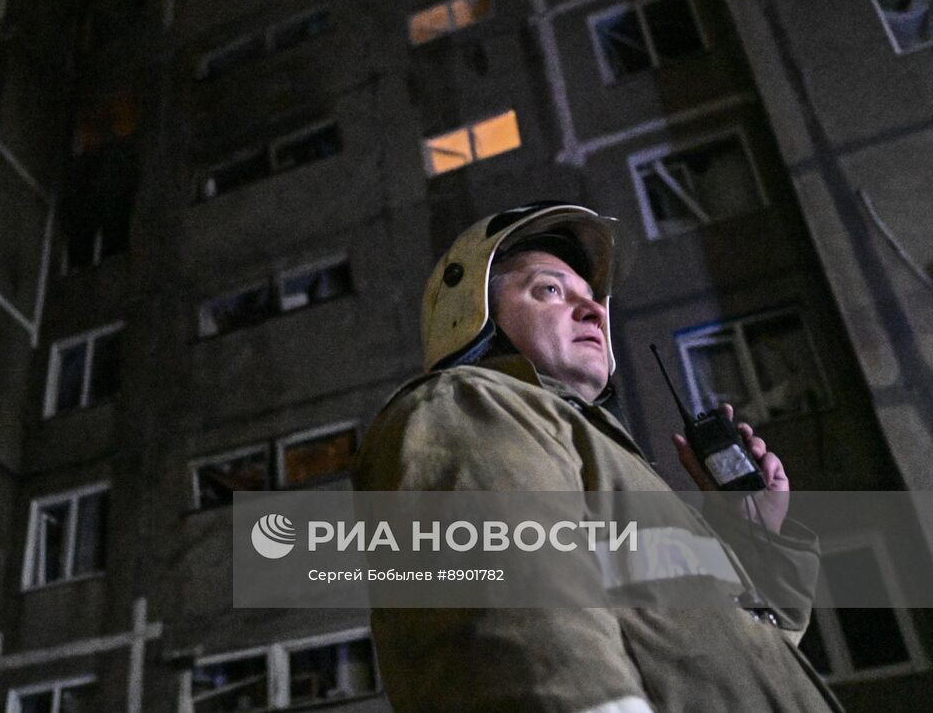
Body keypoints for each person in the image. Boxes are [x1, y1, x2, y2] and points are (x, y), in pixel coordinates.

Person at [352, 201, 843, 712]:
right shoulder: (466, 405)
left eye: (593, 297)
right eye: (549, 290)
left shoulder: (602, 458)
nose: (594, 311)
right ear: (471, 315)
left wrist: (755, 537)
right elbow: (516, 619)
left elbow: (746, 670)